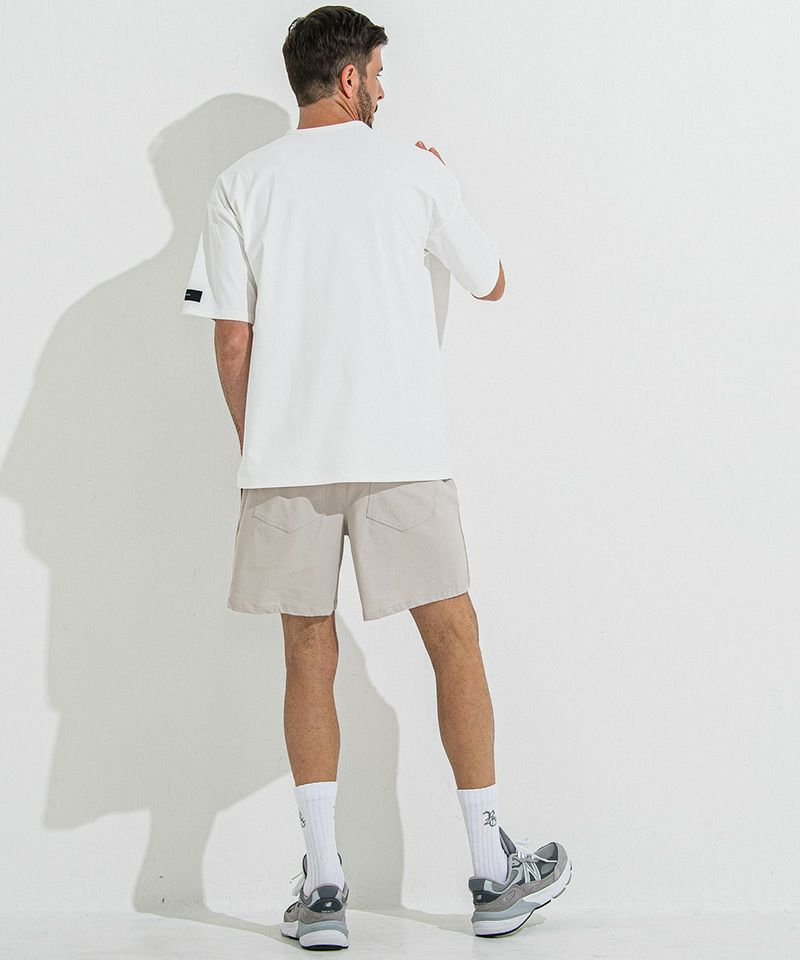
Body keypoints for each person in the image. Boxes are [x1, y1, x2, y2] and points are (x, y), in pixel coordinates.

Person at [181, 4, 571, 948]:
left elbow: (230, 343)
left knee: (305, 653)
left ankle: (323, 889)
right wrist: (447, 184)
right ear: (351, 77)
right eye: (381, 76)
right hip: (403, 454)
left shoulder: (241, 183)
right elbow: (491, 278)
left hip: (288, 462)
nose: (385, 92)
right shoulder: (415, 172)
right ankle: (491, 873)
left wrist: (263, 447)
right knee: (454, 640)